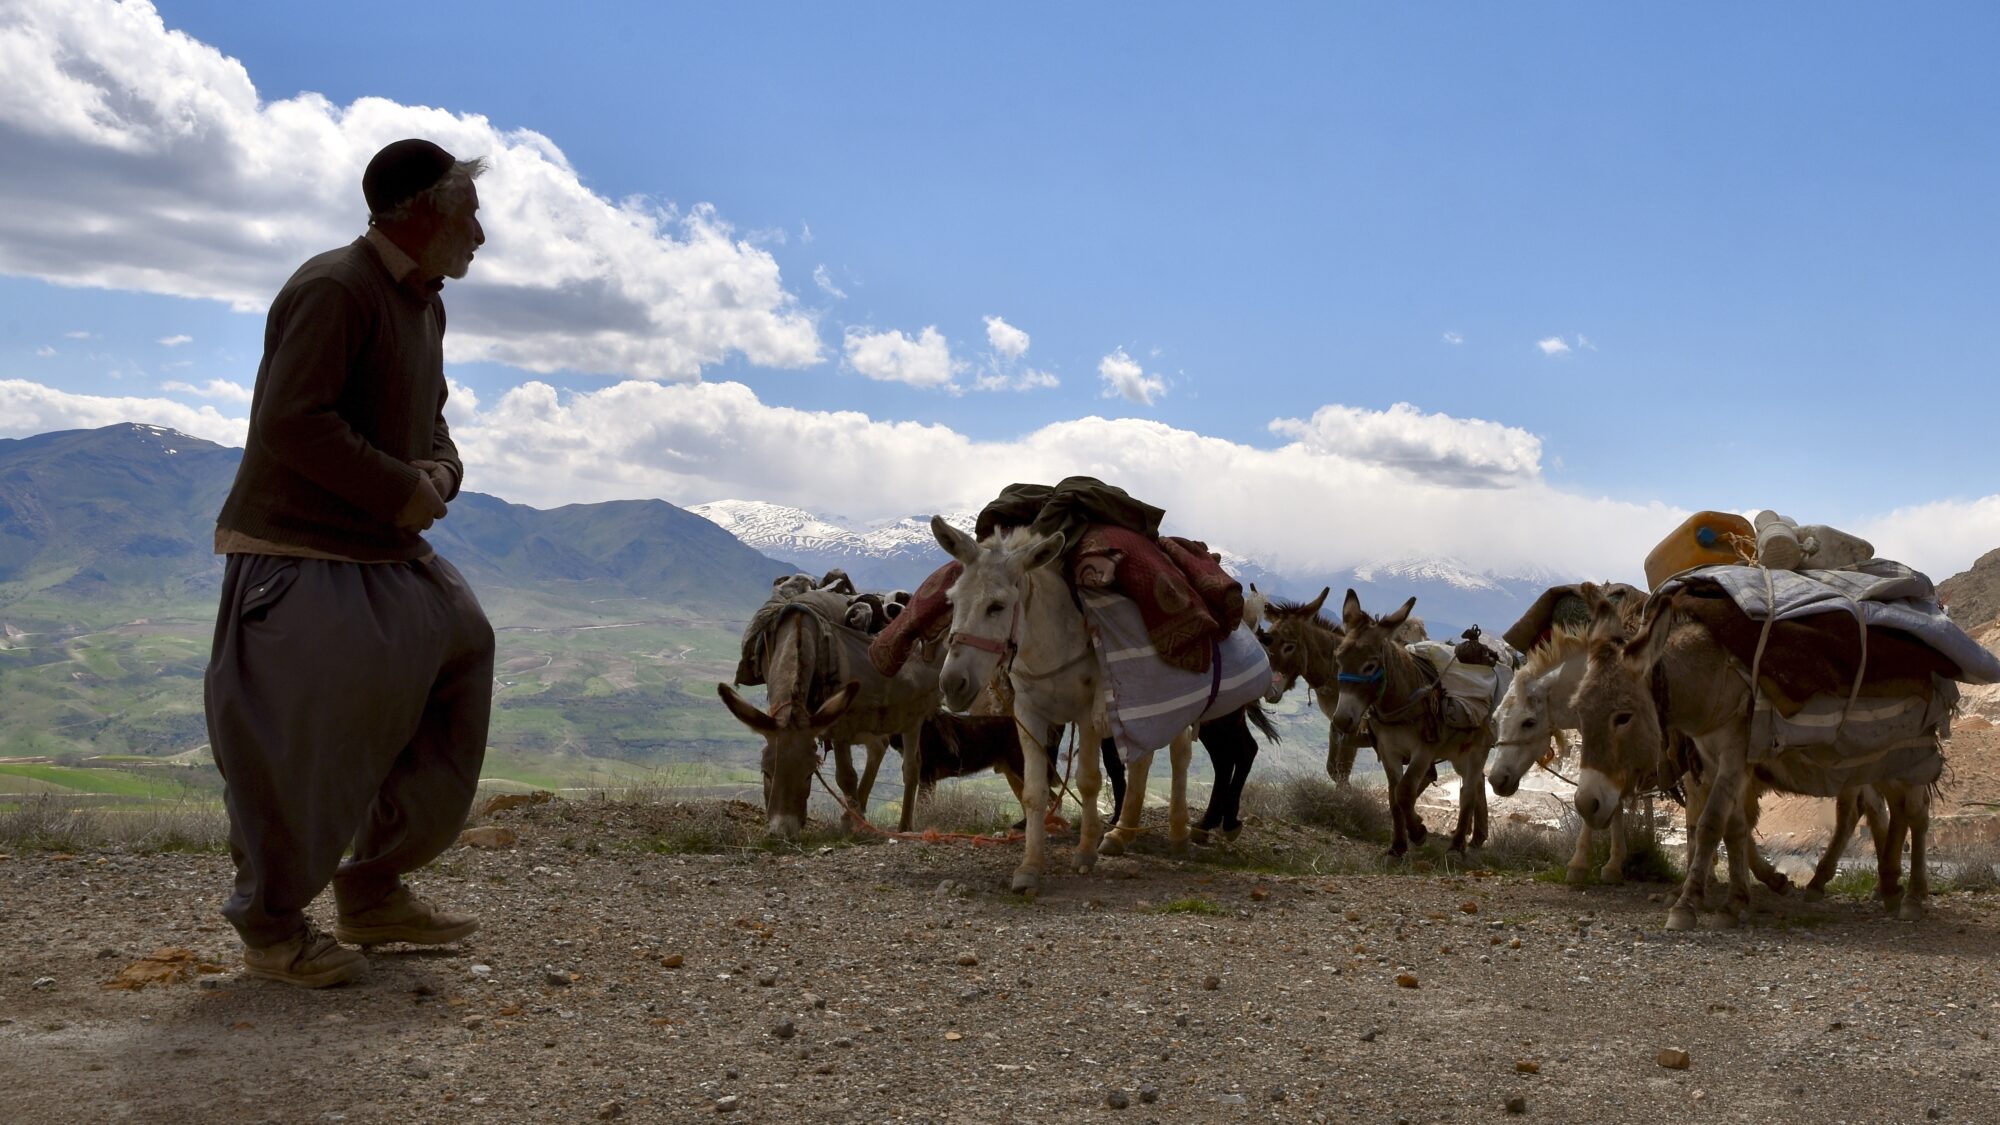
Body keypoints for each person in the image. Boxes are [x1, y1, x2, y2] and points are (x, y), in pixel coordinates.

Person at [204, 138, 495, 987]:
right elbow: (292, 423)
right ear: (426, 213)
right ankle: (271, 930)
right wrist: (394, 488)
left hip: (383, 552)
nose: (480, 234)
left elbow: (431, 424)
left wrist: (439, 471)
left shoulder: (425, 303)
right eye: (470, 214)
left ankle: (370, 889)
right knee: (302, 744)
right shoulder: (336, 287)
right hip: (300, 555)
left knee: (463, 647)